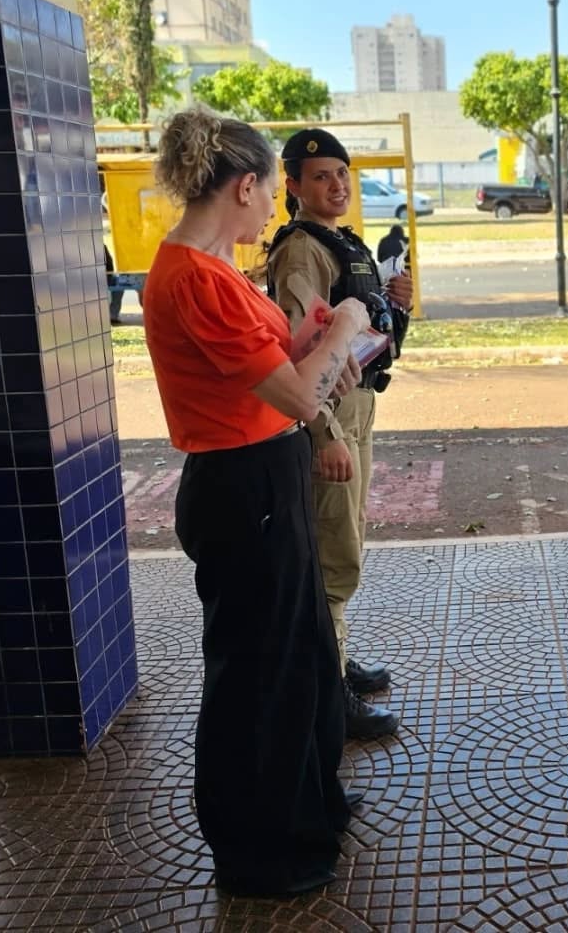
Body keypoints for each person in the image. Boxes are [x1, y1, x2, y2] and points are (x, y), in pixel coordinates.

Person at [143, 108, 370, 898]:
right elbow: (301, 398)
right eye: (272, 191)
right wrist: (344, 327)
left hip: (268, 476)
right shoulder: (194, 280)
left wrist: (316, 344)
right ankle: (260, 851)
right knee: (257, 677)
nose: (274, 206)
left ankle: (307, 813)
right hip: (242, 489)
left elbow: (276, 369)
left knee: (299, 657)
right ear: (243, 187)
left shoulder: (215, 272)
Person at [264, 128, 413, 742]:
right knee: (333, 553)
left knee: (344, 534)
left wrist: (396, 306)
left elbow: (362, 332)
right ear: (293, 186)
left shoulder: (342, 242)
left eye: (342, 174)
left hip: (355, 406)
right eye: (321, 176)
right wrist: (324, 431)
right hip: (329, 413)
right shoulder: (302, 251)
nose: (337, 185)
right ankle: (329, 694)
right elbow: (302, 353)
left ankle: (336, 657)